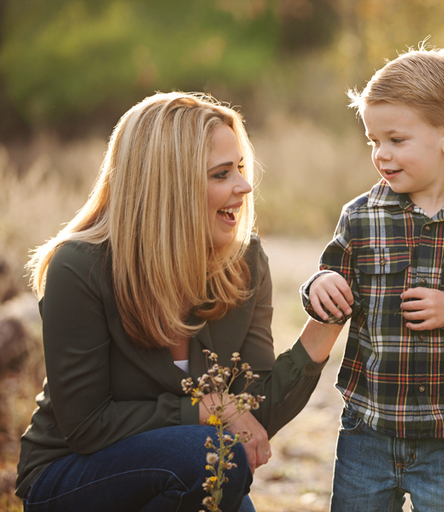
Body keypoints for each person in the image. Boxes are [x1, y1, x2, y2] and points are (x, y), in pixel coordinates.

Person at [15, 92, 343, 512]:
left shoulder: (245, 262)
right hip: (73, 478)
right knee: (213, 461)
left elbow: (251, 415)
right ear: (168, 185)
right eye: (222, 174)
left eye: (240, 168)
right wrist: (209, 408)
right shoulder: (80, 267)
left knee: (224, 478)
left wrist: (324, 329)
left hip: (188, 469)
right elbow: (88, 426)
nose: (244, 186)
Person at [300, 47, 444, 511]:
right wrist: (316, 287)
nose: (381, 154)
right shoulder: (360, 216)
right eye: (373, 141)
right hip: (366, 430)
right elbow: (330, 277)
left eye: (396, 140)